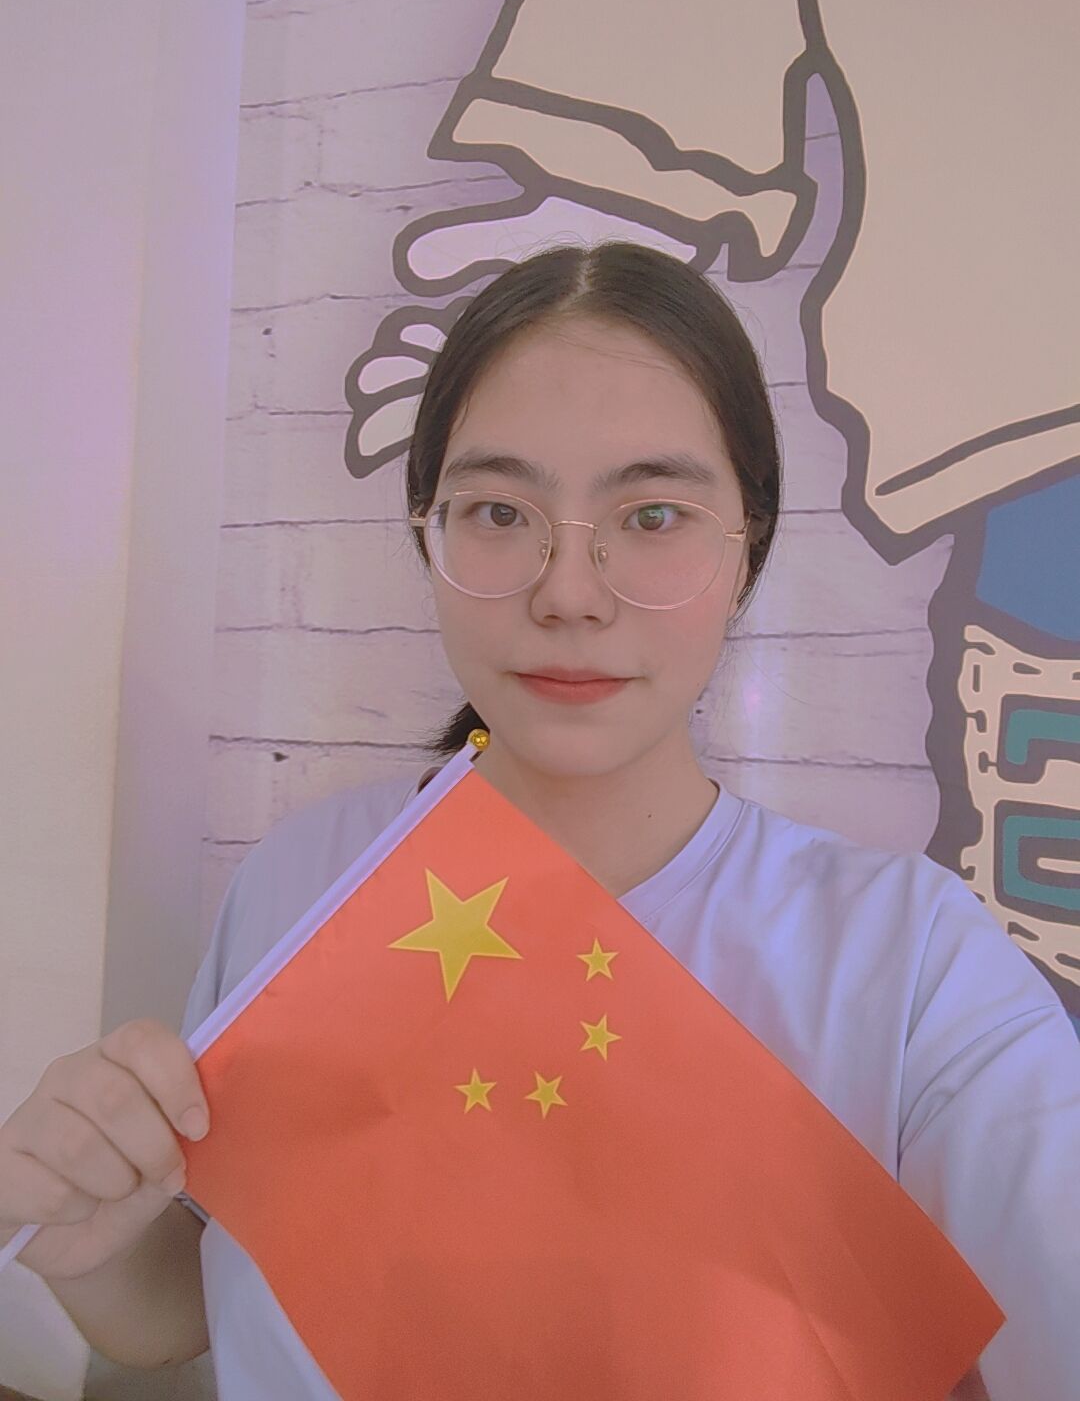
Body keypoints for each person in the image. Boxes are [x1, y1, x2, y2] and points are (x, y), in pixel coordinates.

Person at [0, 243, 1076, 1396]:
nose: (567, 591)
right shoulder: (301, 884)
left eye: (653, 514)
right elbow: (194, 1307)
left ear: (747, 548)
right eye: (500, 512)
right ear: (429, 533)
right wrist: (93, 1246)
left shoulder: (913, 971)